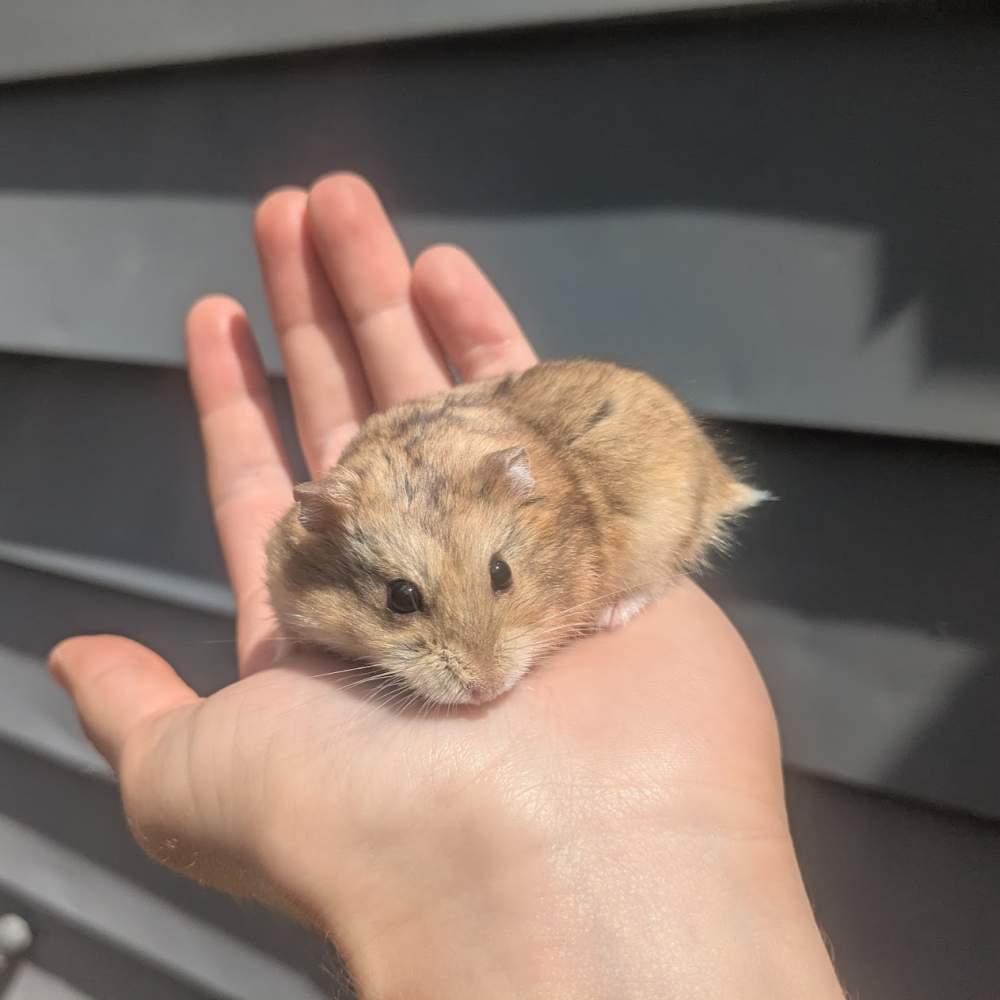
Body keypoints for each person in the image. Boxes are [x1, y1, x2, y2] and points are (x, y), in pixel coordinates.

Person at [49, 174, 844, 999]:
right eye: (405, 601)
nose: (480, 668)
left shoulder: (548, 517)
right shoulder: (319, 542)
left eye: (496, 580)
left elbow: (578, 543)